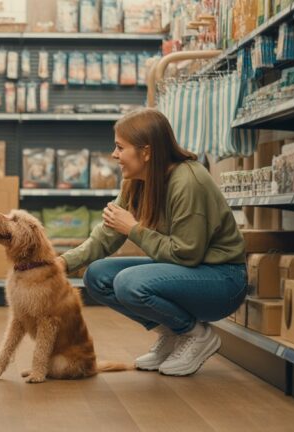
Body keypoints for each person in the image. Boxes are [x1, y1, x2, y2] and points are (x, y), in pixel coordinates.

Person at [57, 108, 247, 376]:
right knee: (97, 275)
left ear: (146, 152)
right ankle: (173, 334)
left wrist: (133, 229)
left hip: (223, 279)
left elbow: (186, 254)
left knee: (128, 283)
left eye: (120, 147)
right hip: (186, 271)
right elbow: (106, 236)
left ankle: (195, 334)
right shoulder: (136, 181)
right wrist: (61, 263)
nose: (114, 155)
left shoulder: (188, 181)